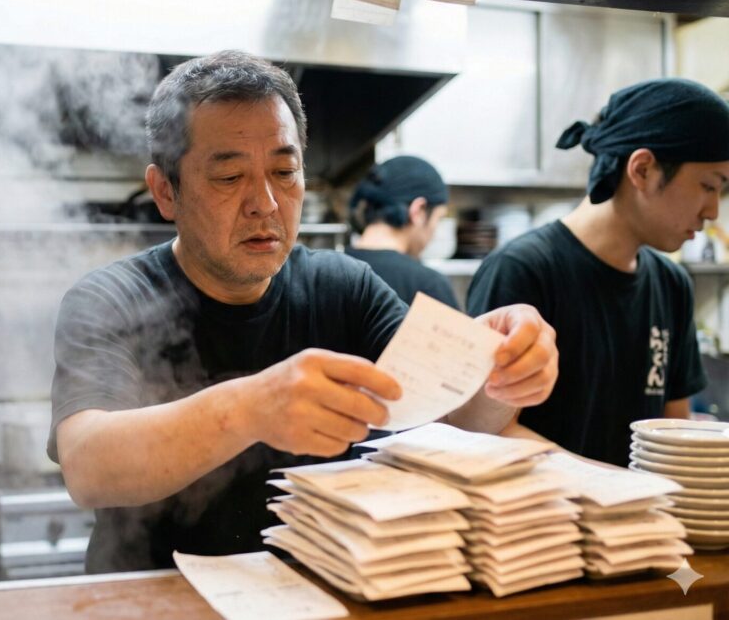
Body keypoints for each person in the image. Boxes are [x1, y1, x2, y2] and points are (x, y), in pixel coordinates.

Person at [49, 50, 558, 574]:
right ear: (165, 191)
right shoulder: (113, 298)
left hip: (316, 596)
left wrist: (497, 371)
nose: (266, 203)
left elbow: (453, 419)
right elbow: (88, 465)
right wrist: (251, 407)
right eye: (229, 178)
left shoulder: (342, 287)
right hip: (156, 599)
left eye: (284, 171)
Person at [467, 78, 729, 467]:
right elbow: (486, 430)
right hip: (541, 521)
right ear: (642, 170)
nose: (712, 212)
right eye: (708, 186)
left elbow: (675, 428)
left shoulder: (671, 284)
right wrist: (618, 488)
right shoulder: (523, 270)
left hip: (643, 521)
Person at [346, 155, 459, 308]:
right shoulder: (427, 286)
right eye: (438, 219)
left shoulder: (326, 272)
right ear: (418, 210)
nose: (434, 234)